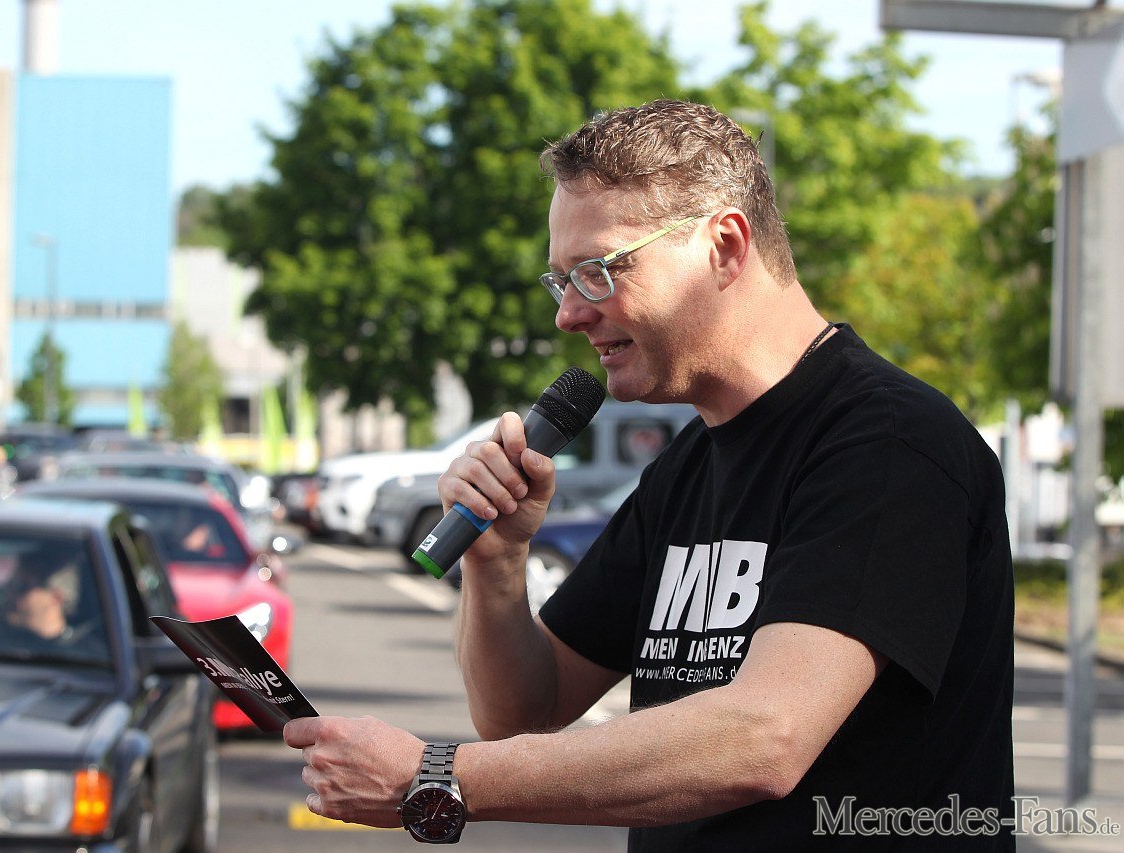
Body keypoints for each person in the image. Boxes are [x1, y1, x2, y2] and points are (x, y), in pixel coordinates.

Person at [283, 99, 1015, 850]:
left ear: (725, 246)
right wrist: (496, 560)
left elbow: (764, 737)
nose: (569, 313)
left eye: (599, 271)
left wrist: (434, 776)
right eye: (561, 280)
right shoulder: (689, 465)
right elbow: (523, 711)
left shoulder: (889, 443)